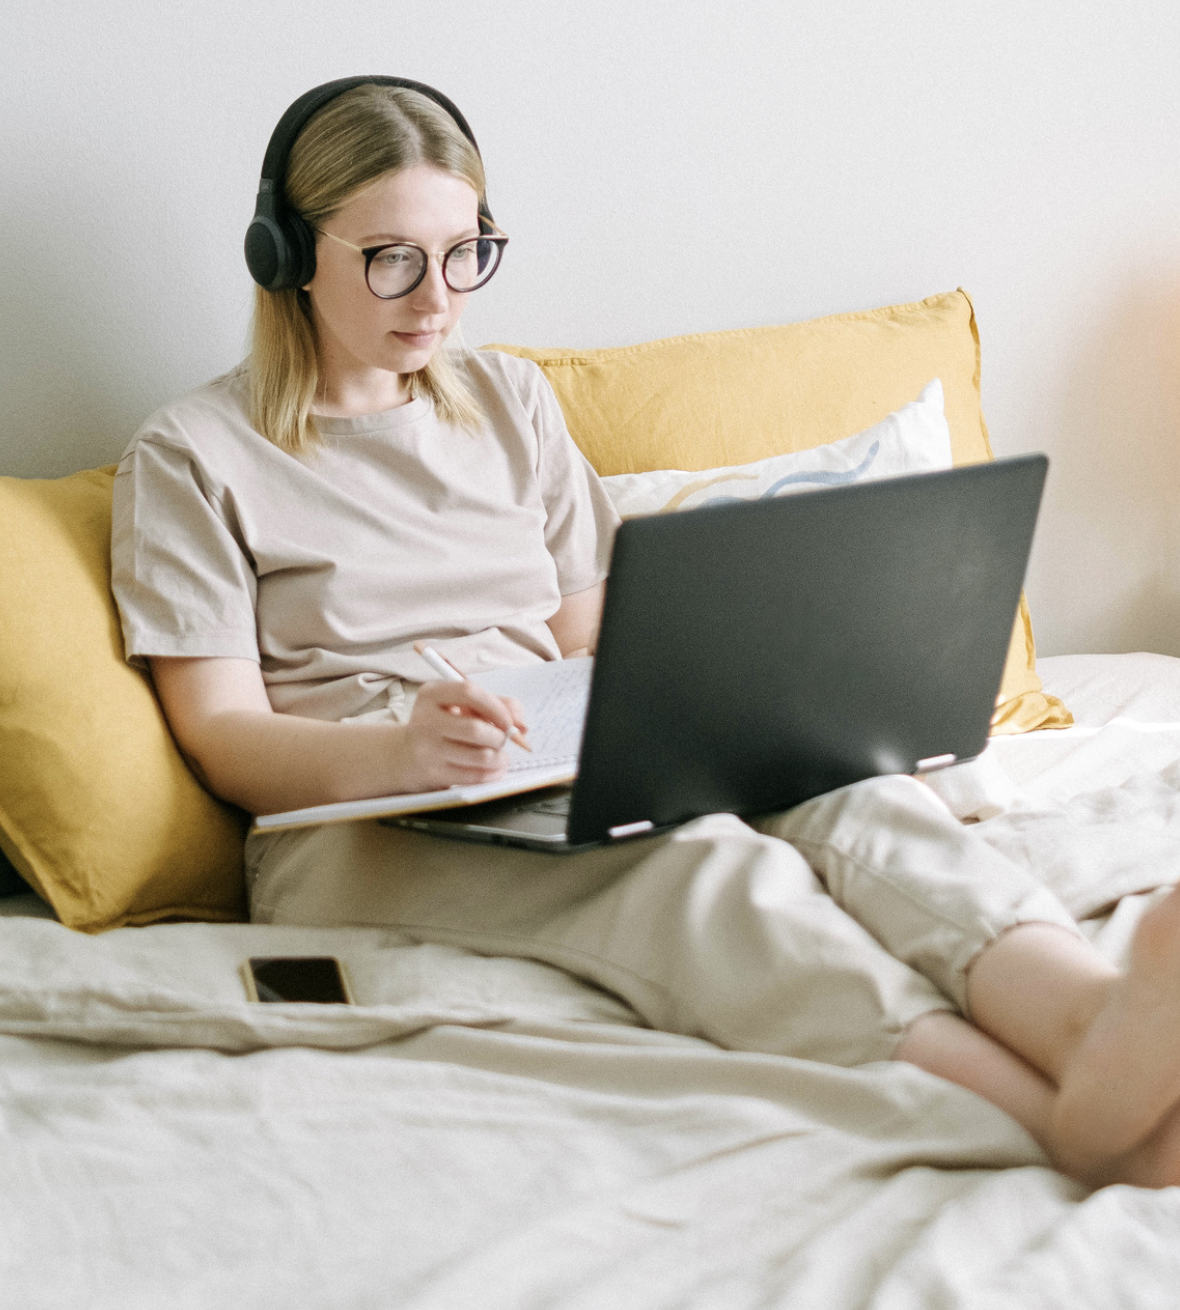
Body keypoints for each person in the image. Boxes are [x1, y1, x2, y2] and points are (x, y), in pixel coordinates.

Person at [111, 77, 1180, 1190]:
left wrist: (762, 696)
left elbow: (593, 632)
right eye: (391, 257)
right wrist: (401, 752)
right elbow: (220, 730)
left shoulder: (508, 399)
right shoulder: (193, 454)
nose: (437, 298)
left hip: (545, 743)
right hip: (355, 812)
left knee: (853, 795)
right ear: (285, 252)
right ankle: (1050, 1118)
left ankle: (1091, 1018)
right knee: (699, 869)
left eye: (465, 251)